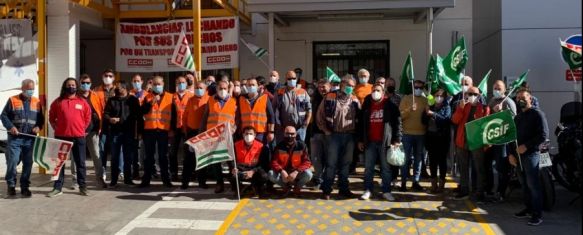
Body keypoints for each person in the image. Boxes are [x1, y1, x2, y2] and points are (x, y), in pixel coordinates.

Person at [508, 88, 549, 226]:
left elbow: (543, 135)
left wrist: (526, 146)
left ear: (530, 99)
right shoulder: (518, 117)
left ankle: (537, 215)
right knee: (524, 185)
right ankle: (528, 208)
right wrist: (511, 154)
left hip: (531, 155)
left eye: (523, 98)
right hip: (518, 157)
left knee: (533, 185)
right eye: (518, 98)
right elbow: (512, 137)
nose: (520, 100)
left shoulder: (538, 114)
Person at [317, 77, 360, 200]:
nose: (350, 88)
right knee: (331, 164)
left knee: (346, 164)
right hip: (334, 136)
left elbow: (360, 116)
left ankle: (344, 189)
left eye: (352, 86)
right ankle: (327, 190)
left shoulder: (354, 99)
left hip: (350, 136)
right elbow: (320, 115)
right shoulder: (330, 96)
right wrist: (326, 131)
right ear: (342, 84)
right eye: (348, 85)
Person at [47, 78, 92, 197]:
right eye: (69, 85)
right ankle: (57, 188)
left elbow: (88, 117)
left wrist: (82, 129)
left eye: (73, 85)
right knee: (59, 163)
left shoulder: (82, 102)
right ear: (65, 86)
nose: (71, 87)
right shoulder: (58, 102)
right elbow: (51, 117)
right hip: (62, 137)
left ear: (76, 87)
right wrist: (56, 127)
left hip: (78, 137)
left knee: (80, 163)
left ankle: (83, 187)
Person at [1, 79, 45, 197]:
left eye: (32, 89)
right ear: (22, 89)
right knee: (13, 161)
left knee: (28, 163)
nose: (31, 91)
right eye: (28, 89)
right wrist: (10, 127)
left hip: (30, 139)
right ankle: (11, 185)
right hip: (15, 138)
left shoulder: (37, 102)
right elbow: (4, 116)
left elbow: (41, 119)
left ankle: (25, 187)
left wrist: (38, 127)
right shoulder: (12, 100)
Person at [358, 84, 401, 201]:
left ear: (383, 92)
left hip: (385, 142)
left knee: (386, 168)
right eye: (373, 90)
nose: (375, 92)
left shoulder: (390, 104)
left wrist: (397, 139)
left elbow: (398, 123)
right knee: (368, 168)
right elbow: (361, 124)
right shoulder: (367, 104)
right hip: (370, 142)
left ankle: (386, 191)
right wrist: (361, 140)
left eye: (378, 90)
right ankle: (368, 190)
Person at [451, 86, 490, 200]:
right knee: (463, 167)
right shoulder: (462, 105)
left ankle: (479, 192)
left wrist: (486, 144)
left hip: (477, 142)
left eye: (475, 94)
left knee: (479, 168)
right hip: (462, 141)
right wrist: (460, 109)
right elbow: (454, 120)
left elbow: (486, 126)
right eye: (470, 94)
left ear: (479, 96)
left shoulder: (484, 108)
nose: (472, 96)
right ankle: (464, 190)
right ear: (466, 95)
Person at [200, 80, 238, 193]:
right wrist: (202, 133)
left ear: (228, 89)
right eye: (220, 88)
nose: (222, 90)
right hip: (214, 136)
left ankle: (234, 183)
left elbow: (237, 118)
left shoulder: (233, 101)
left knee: (231, 161)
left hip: (228, 136)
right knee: (216, 161)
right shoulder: (210, 100)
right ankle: (219, 184)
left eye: (225, 88)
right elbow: (205, 117)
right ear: (216, 90)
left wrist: (234, 128)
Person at [139, 76, 177, 188]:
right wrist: (151, 102)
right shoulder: (147, 97)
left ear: (163, 84)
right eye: (155, 84)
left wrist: (172, 129)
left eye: (159, 84)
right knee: (148, 156)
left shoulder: (170, 97)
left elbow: (174, 115)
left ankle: (166, 180)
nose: (157, 86)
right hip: (149, 130)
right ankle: (146, 180)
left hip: (163, 130)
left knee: (163, 156)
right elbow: (142, 112)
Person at [103, 81, 140, 187]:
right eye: (116, 88)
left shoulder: (133, 100)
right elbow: (105, 114)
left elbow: (137, 115)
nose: (117, 89)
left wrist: (139, 132)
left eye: (119, 87)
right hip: (115, 132)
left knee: (128, 157)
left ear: (125, 88)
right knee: (114, 156)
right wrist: (110, 119)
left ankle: (128, 179)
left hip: (129, 132)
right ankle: (113, 180)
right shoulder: (112, 100)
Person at [485, 80, 517, 200]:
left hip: (503, 141)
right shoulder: (492, 100)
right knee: (488, 164)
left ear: (504, 90)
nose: (496, 90)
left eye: (499, 88)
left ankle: (501, 192)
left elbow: (513, 120)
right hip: (492, 139)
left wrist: (501, 112)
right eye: (494, 88)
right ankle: (489, 189)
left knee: (502, 167)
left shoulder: (509, 102)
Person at [78, 75, 107, 188]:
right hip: (78, 131)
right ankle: (76, 180)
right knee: (77, 156)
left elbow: (101, 111)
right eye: (83, 82)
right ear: (80, 83)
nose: (86, 84)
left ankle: (99, 180)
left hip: (93, 130)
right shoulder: (75, 96)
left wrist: (99, 126)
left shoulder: (95, 95)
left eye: (88, 82)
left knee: (96, 154)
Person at [399, 80, 428, 191]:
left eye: (420, 87)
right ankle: (403, 182)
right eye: (416, 87)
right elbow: (400, 115)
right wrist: (409, 110)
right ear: (412, 87)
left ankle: (416, 181)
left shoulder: (425, 100)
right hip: (407, 134)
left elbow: (428, 117)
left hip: (421, 134)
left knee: (418, 159)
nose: (418, 89)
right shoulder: (406, 99)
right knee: (405, 159)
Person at [268, 126, 313, 197]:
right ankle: (286, 187)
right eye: (287, 133)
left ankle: (297, 188)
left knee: (309, 174)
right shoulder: (279, 146)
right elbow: (273, 162)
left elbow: (307, 162)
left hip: (297, 172)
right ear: (284, 134)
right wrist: (281, 171)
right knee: (270, 174)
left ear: (296, 134)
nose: (290, 136)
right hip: (284, 173)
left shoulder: (302, 146)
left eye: (292, 134)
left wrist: (296, 171)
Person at [181, 81, 210, 189]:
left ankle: (202, 181)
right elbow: (185, 116)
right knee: (188, 159)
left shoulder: (209, 100)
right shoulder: (190, 100)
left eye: (201, 88)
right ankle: (185, 182)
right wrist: (185, 131)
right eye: (197, 87)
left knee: (202, 159)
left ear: (206, 89)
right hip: (191, 132)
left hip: (203, 133)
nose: (198, 89)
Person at [422, 88, 451, 193]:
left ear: (444, 98)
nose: (438, 98)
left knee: (442, 162)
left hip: (442, 138)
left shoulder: (447, 107)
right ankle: (433, 184)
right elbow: (423, 121)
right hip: (431, 138)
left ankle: (441, 185)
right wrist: (426, 112)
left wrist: (433, 114)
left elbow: (445, 120)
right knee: (432, 162)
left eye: (441, 96)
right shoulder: (430, 106)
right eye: (437, 96)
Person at [229, 126, 270, 197]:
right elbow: (231, 159)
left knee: (264, 176)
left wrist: (253, 171)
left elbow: (263, 163)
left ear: (255, 135)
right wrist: (234, 168)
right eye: (246, 133)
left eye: (251, 134)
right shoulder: (236, 145)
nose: (248, 136)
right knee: (232, 177)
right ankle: (239, 190)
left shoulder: (261, 146)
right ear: (243, 135)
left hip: (255, 169)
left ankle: (259, 188)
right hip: (241, 169)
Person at [274, 70, 312, 142]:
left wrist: (306, 122)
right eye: (289, 79)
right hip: (283, 129)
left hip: (299, 128)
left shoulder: (303, 92)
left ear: (296, 79)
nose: (292, 80)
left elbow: (309, 108)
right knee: (283, 150)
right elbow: (273, 109)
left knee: (299, 150)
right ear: (286, 80)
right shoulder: (279, 92)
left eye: (294, 78)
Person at [236, 77, 275, 143]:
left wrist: (271, 132)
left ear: (257, 86)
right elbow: (238, 117)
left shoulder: (264, 98)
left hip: (260, 133)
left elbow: (271, 116)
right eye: (249, 85)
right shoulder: (241, 99)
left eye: (253, 85)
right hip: (246, 133)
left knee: (261, 152)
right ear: (246, 87)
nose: (251, 87)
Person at [169, 76, 193, 181]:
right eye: (179, 82)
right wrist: (170, 129)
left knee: (188, 152)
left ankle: (187, 174)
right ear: (176, 83)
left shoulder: (191, 96)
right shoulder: (171, 97)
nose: (181, 84)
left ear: (186, 84)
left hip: (187, 128)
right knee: (172, 152)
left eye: (183, 82)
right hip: (175, 128)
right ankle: (173, 173)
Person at [95, 69, 117, 182]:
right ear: (102, 76)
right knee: (102, 149)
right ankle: (102, 169)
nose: (107, 77)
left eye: (110, 76)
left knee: (115, 149)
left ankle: (116, 172)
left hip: (115, 125)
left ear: (113, 78)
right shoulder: (96, 90)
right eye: (105, 75)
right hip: (102, 124)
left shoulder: (118, 90)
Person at [309, 79, 330, 189]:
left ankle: (325, 181)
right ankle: (318, 179)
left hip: (328, 134)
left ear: (329, 86)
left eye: (324, 86)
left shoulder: (333, 98)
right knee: (315, 158)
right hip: (315, 133)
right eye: (320, 87)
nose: (322, 89)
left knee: (328, 158)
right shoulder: (314, 99)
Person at [129, 74, 149, 180]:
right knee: (134, 150)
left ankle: (148, 171)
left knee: (145, 150)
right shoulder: (129, 94)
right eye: (134, 81)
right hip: (133, 125)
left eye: (138, 81)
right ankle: (135, 171)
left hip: (145, 124)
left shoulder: (146, 94)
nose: (136, 83)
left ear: (142, 82)